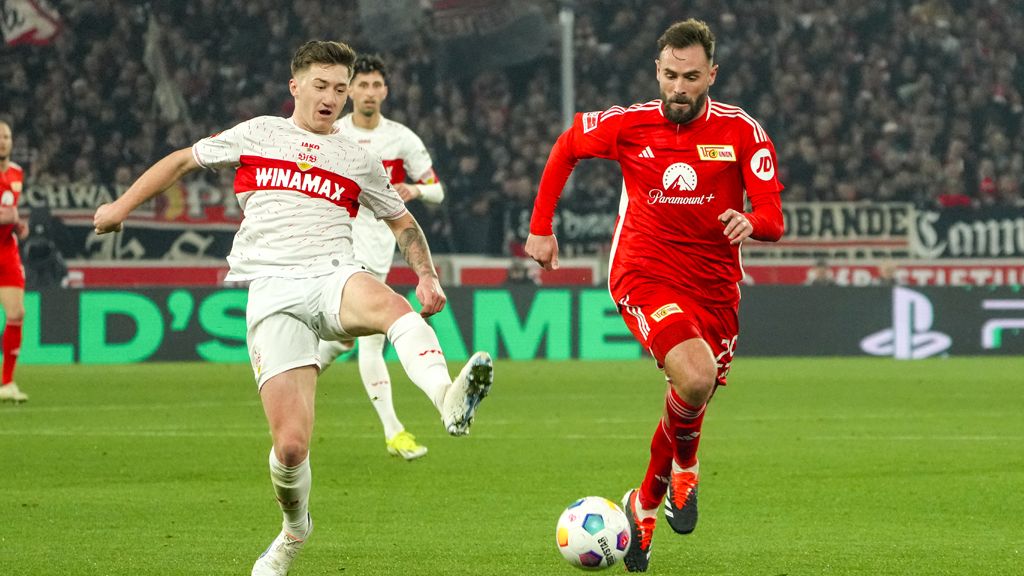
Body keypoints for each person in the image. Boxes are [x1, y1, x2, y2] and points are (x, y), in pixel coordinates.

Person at [93, 40, 494, 576]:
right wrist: (121, 207)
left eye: (340, 88)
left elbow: (402, 221)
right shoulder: (260, 132)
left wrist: (426, 274)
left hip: (333, 273)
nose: (331, 97)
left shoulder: (357, 157)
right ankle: (293, 533)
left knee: (394, 307)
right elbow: (183, 161)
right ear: (296, 86)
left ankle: (447, 399)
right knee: (289, 448)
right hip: (271, 290)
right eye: (321, 86)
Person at [526, 19, 784, 572]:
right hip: (644, 274)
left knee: (693, 391)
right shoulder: (630, 124)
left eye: (691, 77)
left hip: (715, 288)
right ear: (658, 72)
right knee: (693, 377)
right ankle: (684, 471)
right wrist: (541, 226)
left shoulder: (743, 132)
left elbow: (774, 218)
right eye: (670, 75)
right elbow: (567, 146)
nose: (679, 88)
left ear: (711, 74)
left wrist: (751, 222)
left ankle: (643, 501)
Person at [318, 54, 446, 461]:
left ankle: (287, 375)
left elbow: (437, 189)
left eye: (377, 86)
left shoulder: (401, 138)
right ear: (350, 90)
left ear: (385, 91)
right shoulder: (332, 134)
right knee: (372, 342)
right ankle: (394, 431)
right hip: (339, 247)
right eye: (363, 85)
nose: (369, 93)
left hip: (380, 250)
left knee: (340, 342)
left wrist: (415, 190)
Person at [0, 121, 29, 404]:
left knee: (16, 314)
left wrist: (19, 225)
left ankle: (6, 382)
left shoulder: (18, 172)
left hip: (6, 251)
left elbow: (12, 214)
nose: (3, 141)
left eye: (6, 136)